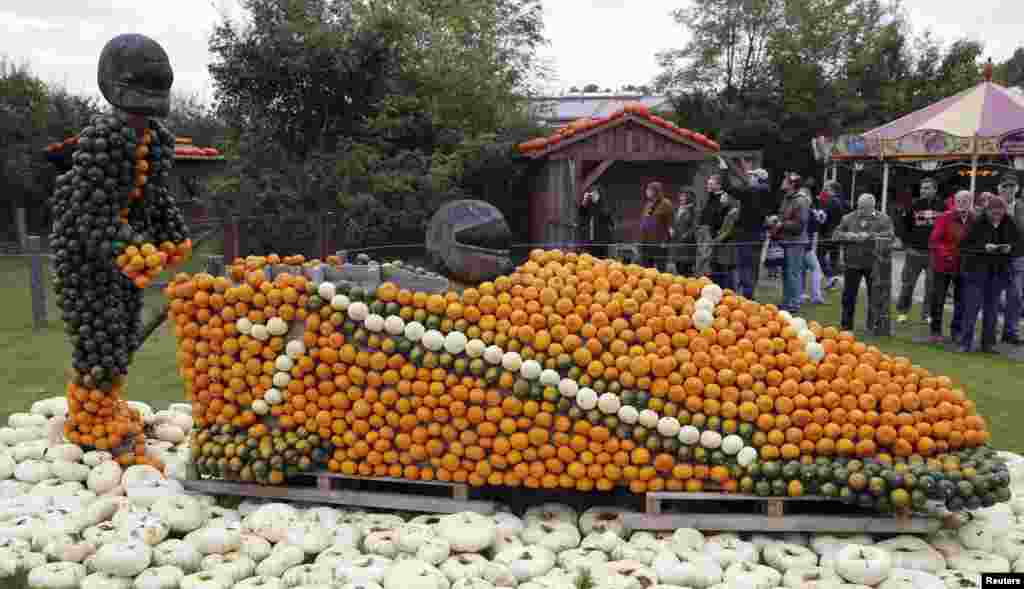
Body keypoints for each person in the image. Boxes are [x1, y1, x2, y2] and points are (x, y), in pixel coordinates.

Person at [958, 194, 1019, 353]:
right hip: (976, 272)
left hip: (997, 273)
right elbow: (964, 245)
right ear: (987, 211)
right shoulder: (978, 222)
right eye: (994, 212)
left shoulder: (1009, 222)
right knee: (972, 309)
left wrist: (1010, 248)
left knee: (992, 311)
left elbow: (1019, 243)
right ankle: (965, 343)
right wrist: (984, 247)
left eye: (1000, 213)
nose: (997, 216)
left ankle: (987, 344)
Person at [833, 193, 894, 332]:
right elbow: (835, 234)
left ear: (872, 206)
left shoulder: (883, 219)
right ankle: (846, 326)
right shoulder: (848, 218)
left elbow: (891, 236)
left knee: (874, 296)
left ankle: (872, 326)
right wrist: (849, 236)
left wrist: (871, 236)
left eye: (864, 208)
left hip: (873, 264)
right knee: (848, 296)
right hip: (852, 264)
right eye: (859, 207)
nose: (861, 211)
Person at [895, 177, 944, 325]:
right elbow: (902, 225)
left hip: (933, 253)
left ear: (935, 190)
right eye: (922, 188)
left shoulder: (942, 207)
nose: (924, 190)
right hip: (914, 252)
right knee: (908, 284)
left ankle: (927, 314)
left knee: (931, 286)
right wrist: (906, 244)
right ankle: (902, 312)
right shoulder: (913, 205)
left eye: (928, 188)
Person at [928, 190, 975, 344]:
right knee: (938, 298)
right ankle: (935, 331)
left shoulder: (975, 219)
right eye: (961, 200)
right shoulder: (945, 217)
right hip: (943, 265)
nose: (964, 203)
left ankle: (957, 331)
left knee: (961, 300)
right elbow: (934, 241)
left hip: (964, 266)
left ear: (971, 202)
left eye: (967, 200)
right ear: (955, 201)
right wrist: (946, 254)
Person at [767, 172, 810, 313]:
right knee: (786, 273)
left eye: (785, 180)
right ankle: (786, 302)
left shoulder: (801, 200)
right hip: (785, 241)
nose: (782, 182)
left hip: (796, 242)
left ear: (792, 184)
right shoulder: (787, 198)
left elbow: (800, 225)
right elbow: (783, 216)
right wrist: (775, 220)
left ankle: (794, 303)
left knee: (793, 273)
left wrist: (781, 225)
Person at [999, 173, 1023, 345]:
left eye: (1012, 186)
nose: (1009, 190)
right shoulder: (991, 205)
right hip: (994, 258)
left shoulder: (1022, 207)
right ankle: (990, 330)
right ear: (999, 188)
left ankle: (1011, 332)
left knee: (1015, 296)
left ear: (1017, 189)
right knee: (992, 296)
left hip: (1017, 257)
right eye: (1005, 186)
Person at [818, 180, 849, 289]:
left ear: (831, 190)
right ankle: (832, 281)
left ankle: (830, 276)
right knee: (833, 258)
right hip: (838, 232)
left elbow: (824, 217)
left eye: (826, 189)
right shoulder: (844, 201)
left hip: (828, 233)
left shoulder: (831, 201)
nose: (825, 191)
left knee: (819, 255)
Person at [639, 181, 673, 271]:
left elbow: (670, 224)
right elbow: (644, 222)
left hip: (659, 243)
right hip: (646, 242)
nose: (646, 191)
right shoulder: (648, 204)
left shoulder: (666, 204)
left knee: (660, 269)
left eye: (649, 189)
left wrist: (666, 240)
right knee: (646, 269)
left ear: (655, 191)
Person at [802, 183, 826, 304]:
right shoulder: (809, 210)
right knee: (816, 269)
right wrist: (818, 218)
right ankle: (816, 296)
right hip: (805, 246)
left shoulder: (802, 208)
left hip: (799, 245)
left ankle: (800, 294)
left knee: (799, 271)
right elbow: (814, 228)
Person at [578, 185, 615, 259]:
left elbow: (607, 216)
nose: (593, 196)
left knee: (602, 260)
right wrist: (585, 200)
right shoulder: (589, 206)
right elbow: (581, 213)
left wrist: (597, 202)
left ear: (599, 195)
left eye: (595, 194)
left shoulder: (604, 205)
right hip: (590, 241)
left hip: (602, 241)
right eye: (592, 194)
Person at [670, 189, 697, 276]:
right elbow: (674, 223)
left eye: (683, 196)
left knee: (687, 271)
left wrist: (685, 236)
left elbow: (694, 227)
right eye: (680, 196)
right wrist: (671, 229)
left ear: (689, 197)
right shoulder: (678, 209)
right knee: (679, 269)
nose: (681, 198)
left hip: (687, 247)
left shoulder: (694, 210)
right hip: (677, 245)